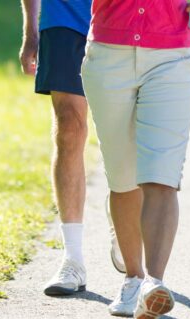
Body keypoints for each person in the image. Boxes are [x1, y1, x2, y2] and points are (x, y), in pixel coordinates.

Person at [81, 0, 190, 319]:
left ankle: (153, 283)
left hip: (172, 58)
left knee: (162, 174)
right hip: (109, 54)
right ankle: (133, 277)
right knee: (123, 177)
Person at [19, 0, 125, 296]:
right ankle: (73, 259)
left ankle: (124, 213)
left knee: (122, 132)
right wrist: (31, 30)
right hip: (63, 16)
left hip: (124, 16)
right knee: (69, 126)